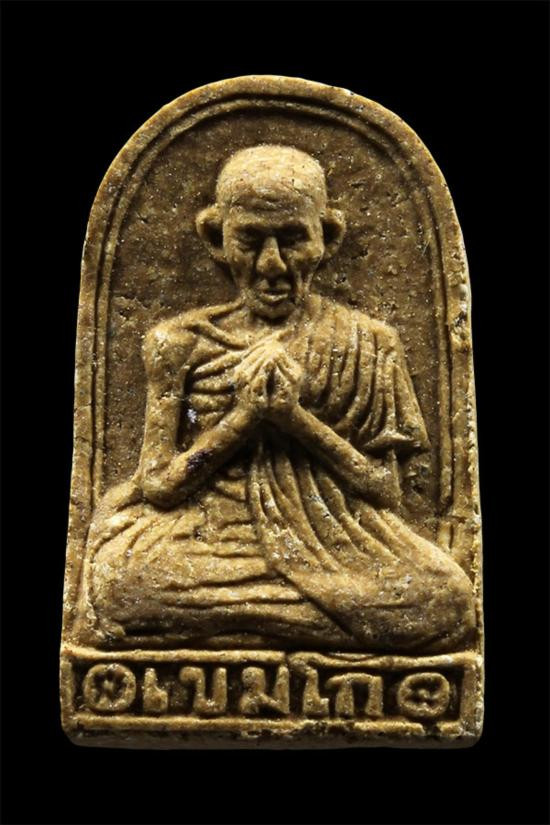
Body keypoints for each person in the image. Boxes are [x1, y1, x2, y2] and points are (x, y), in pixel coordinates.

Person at [78, 145, 475, 651]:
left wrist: (294, 419)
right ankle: (331, 629)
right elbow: (157, 485)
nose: (271, 264)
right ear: (216, 238)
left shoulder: (371, 341)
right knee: (117, 583)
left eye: (292, 239)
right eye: (250, 240)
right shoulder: (177, 342)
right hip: (208, 541)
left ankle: (232, 627)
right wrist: (245, 419)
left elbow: (384, 490)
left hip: (340, 541)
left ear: (327, 237)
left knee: (447, 600)